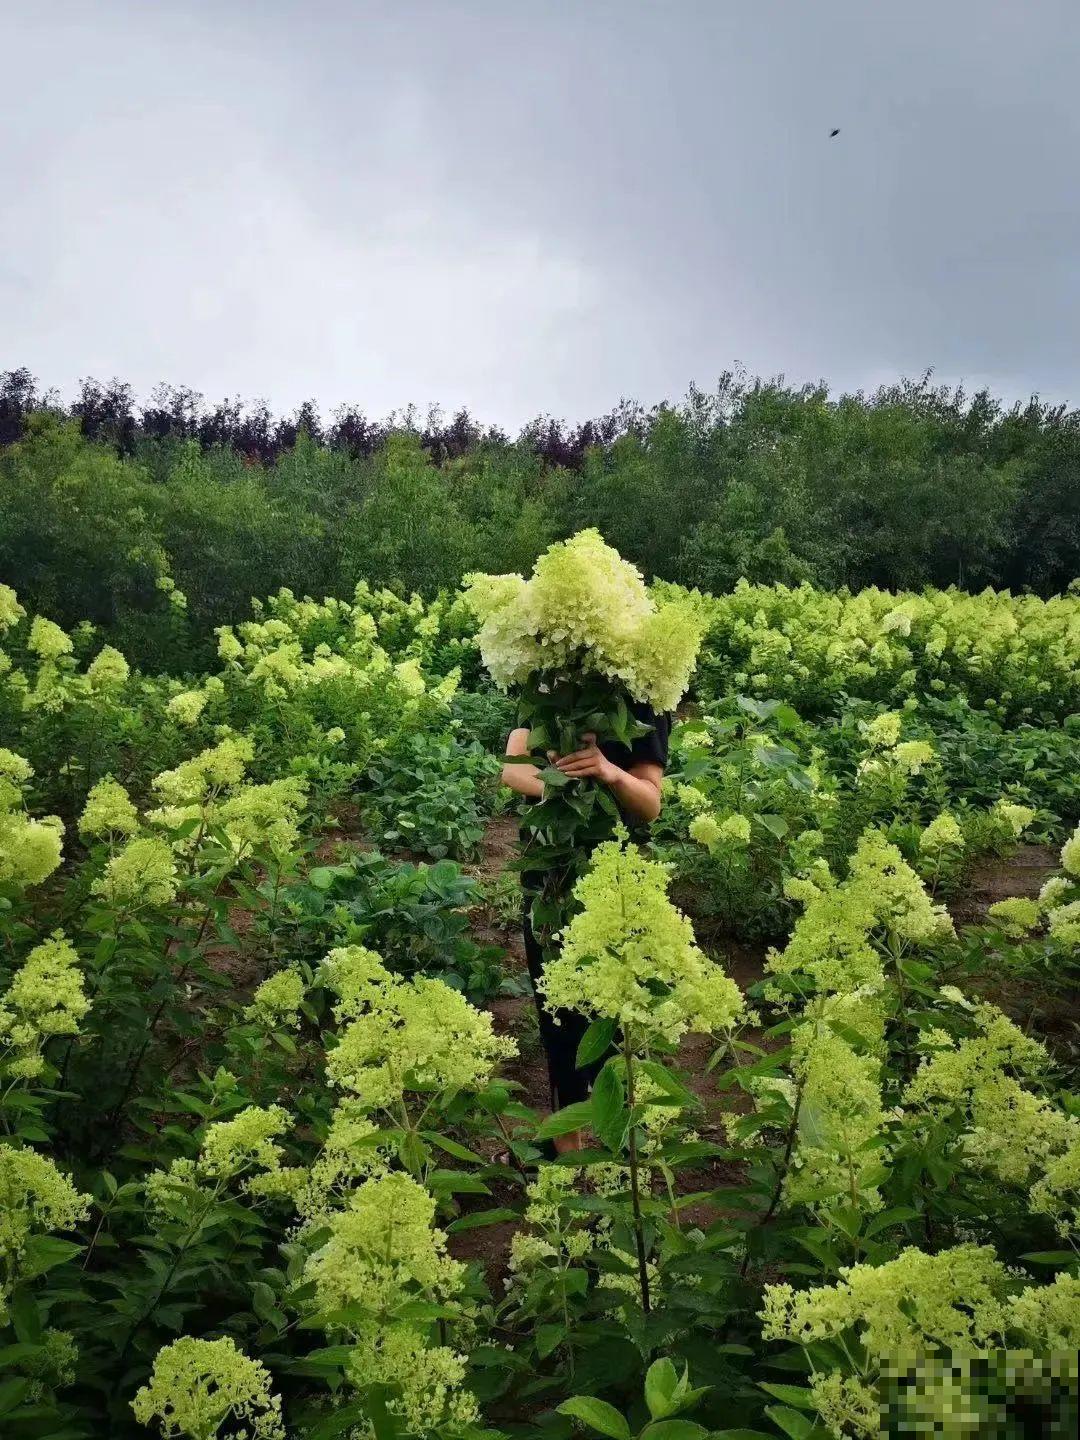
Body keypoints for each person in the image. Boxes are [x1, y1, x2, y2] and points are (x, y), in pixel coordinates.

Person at [501, 705, 670, 1152]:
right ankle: (566, 1151)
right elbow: (514, 771)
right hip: (550, 878)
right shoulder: (544, 687)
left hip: (613, 881)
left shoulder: (643, 700)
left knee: (615, 1011)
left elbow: (650, 803)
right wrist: (567, 788)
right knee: (556, 1010)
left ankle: (623, 1151)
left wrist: (609, 772)